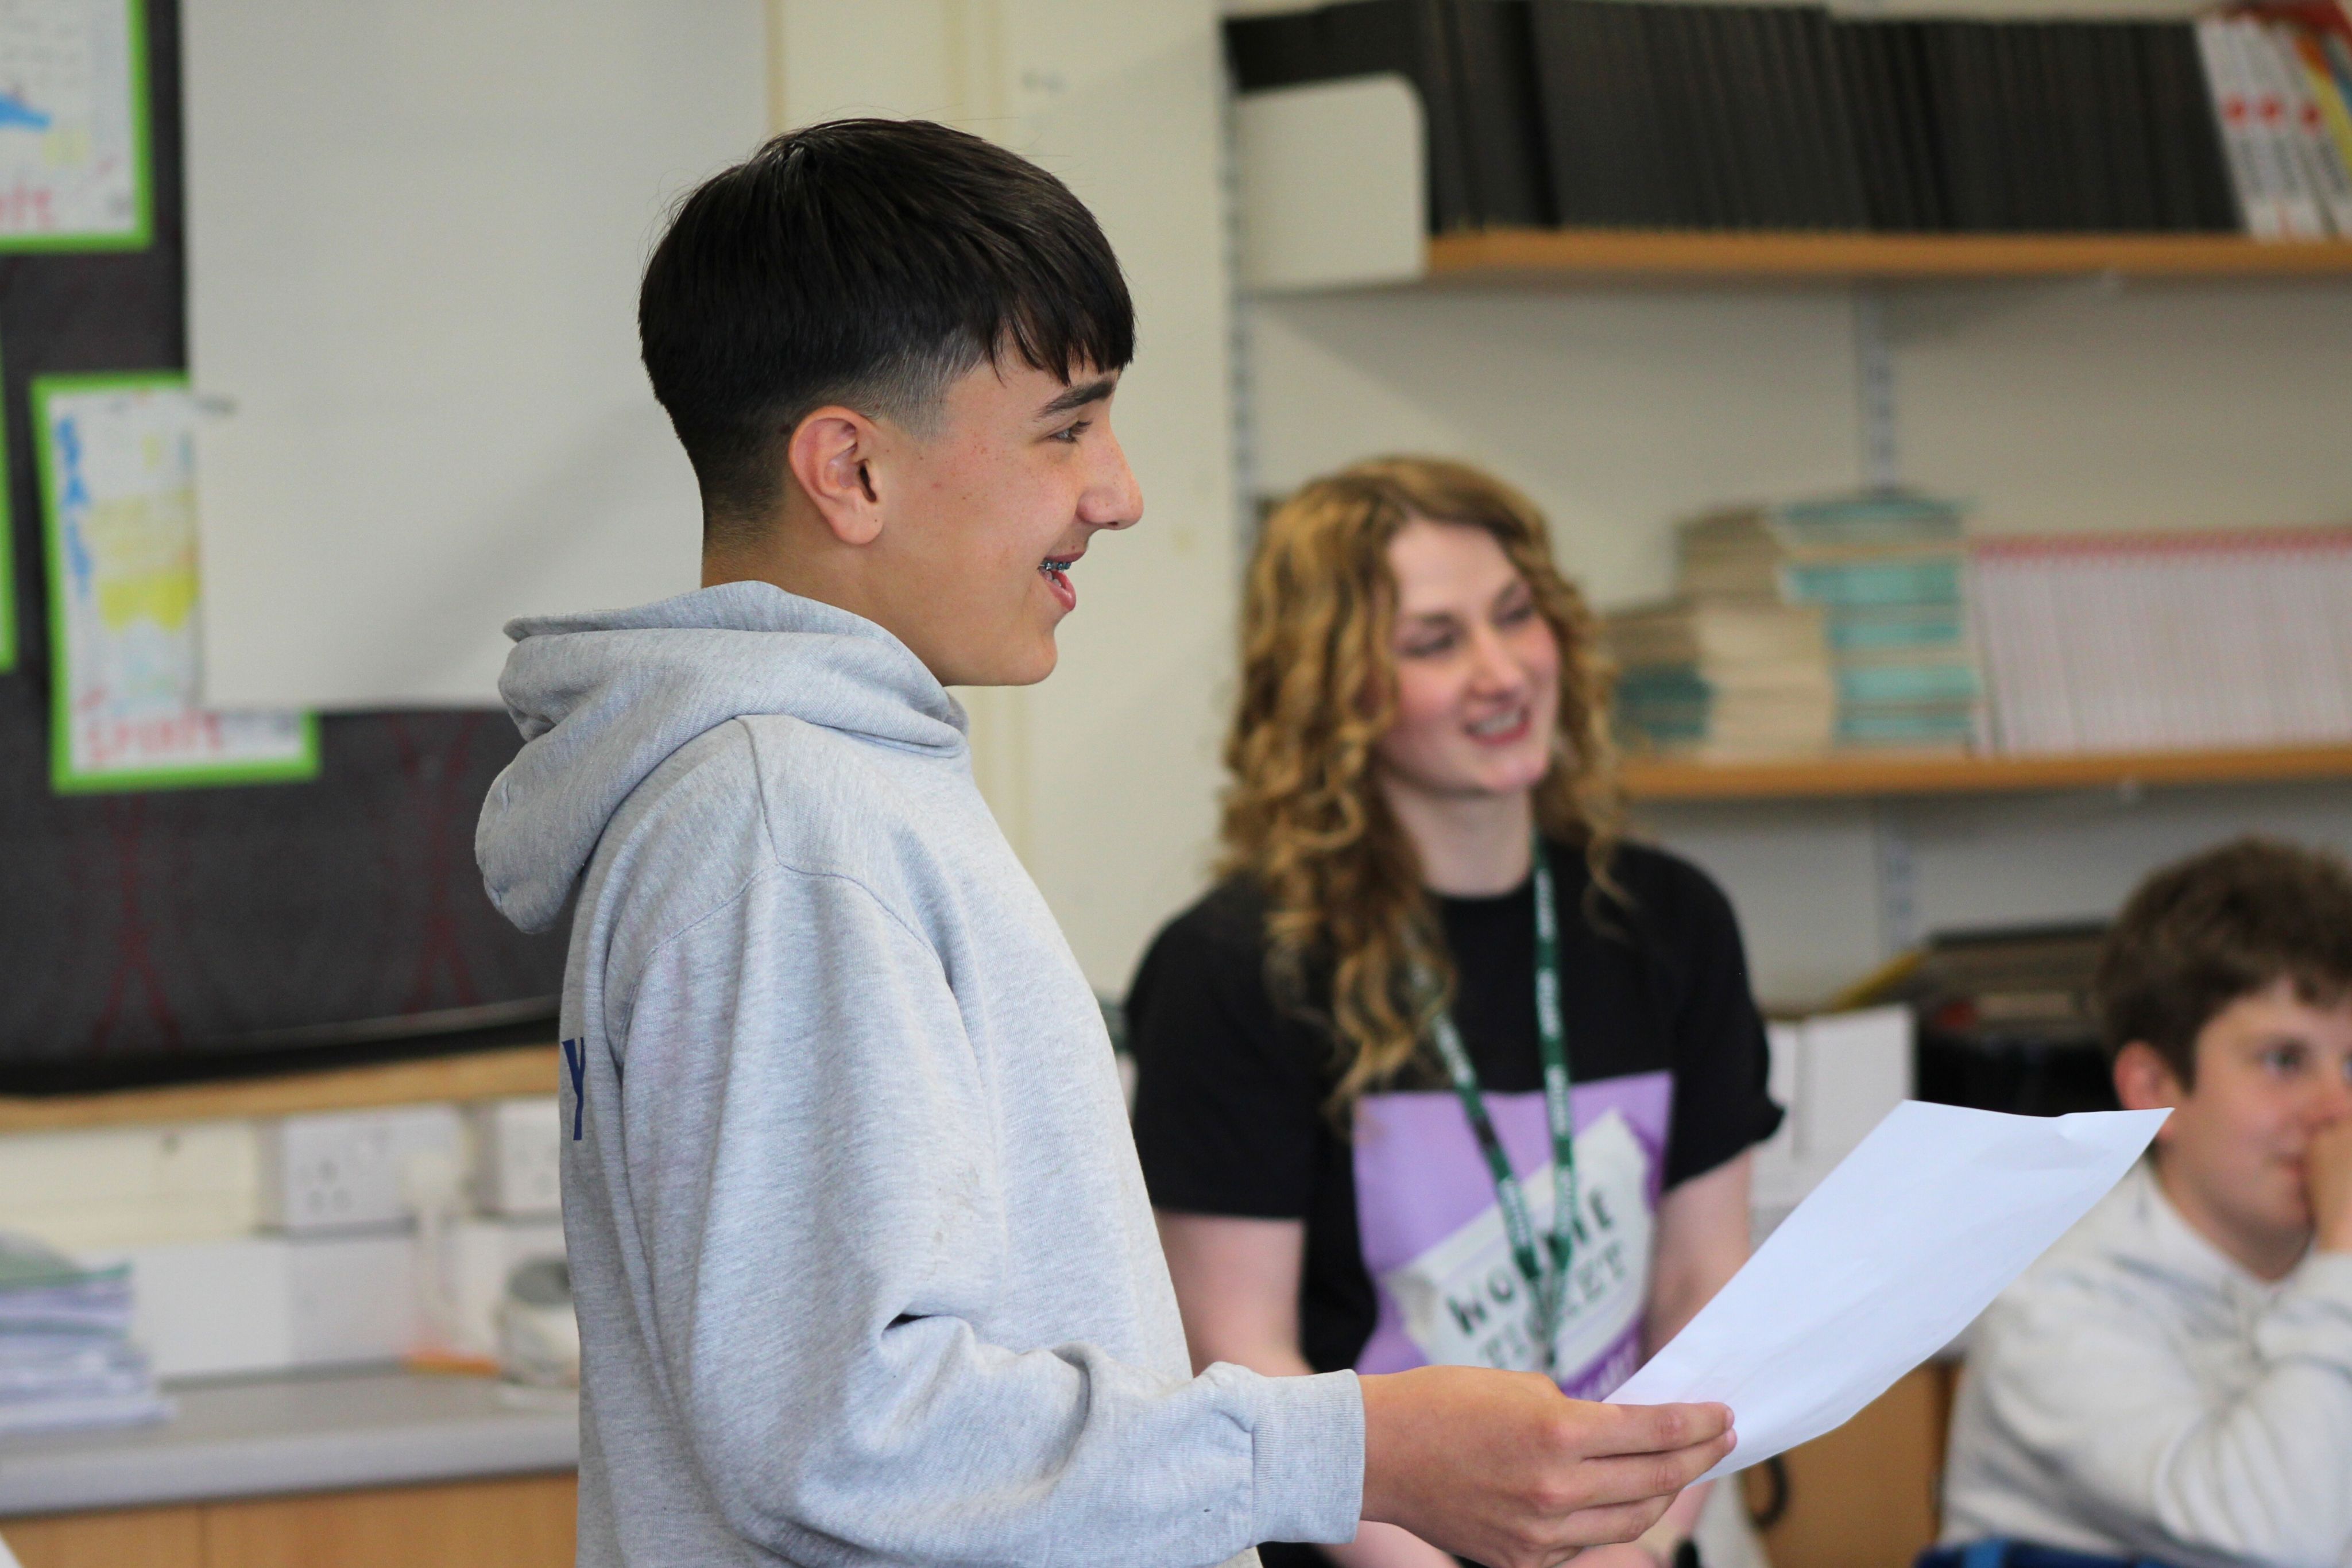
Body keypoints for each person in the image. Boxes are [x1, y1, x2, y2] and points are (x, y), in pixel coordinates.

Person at [475, 122, 1734, 1568]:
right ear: (851, 472)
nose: (1119, 491)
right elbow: (842, 1434)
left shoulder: (824, 794)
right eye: (1067, 428)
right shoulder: (783, 826)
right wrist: (1365, 1449)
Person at [1127, 458, 1782, 1568]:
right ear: (1336, 690)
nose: (1501, 672)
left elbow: (1699, 1283)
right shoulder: (1233, 969)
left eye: (1516, 617)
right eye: (1434, 642)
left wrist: (1648, 1538)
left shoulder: (1672, 922)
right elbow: (1240, 1352)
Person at [1932, 837, 2352, 1568]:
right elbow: (2283, 1537)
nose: (2334, 1109)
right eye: (2283, 1061)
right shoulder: (2051, 1304)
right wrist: (2346, 1252)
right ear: (2154, 1091)